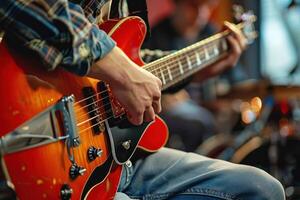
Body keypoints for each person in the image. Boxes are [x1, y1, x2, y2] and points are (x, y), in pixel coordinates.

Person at [0, 0, 285, 200]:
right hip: (53, 152)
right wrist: (118, 70)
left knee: (262, 189)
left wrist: (196, 71)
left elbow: (130, 62)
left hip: (119, 158)